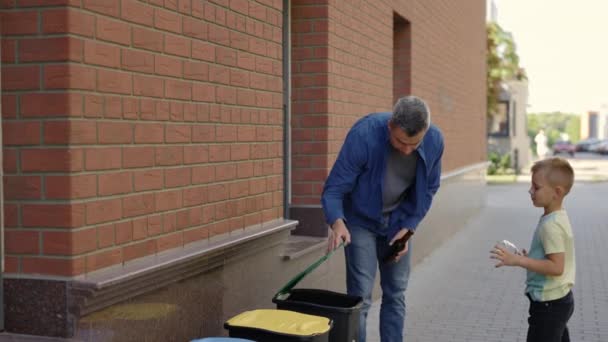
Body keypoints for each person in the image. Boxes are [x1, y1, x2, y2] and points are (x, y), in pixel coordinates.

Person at [321, 95, 444, 342]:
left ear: (425, 132)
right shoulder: (364, 134)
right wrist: (337, 222)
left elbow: (429, 188)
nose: (407, 150)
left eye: (414, 144)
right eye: (400, 141)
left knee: (396, 293)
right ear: (390, 126)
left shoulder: (434, 141)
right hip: (360, 221)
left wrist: (409, 228)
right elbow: (334, 188)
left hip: (398, 223)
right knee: (361, 297)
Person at [491, 157, 576, 342]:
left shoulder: (550, 226)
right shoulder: (558, 217)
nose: (530, 191)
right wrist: (533, 258)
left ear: (557, 192)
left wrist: (518, 260)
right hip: (559, 299)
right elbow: (554, 256)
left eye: (536, 187)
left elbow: (556, 267)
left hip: (548, 305)